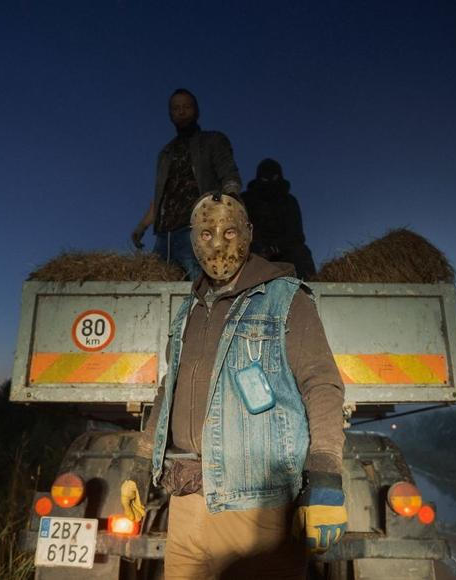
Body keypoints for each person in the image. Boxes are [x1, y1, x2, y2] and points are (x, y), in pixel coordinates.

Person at [121, 193, 347, 579]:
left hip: (256, 506)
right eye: (206, 234)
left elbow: (322, 384)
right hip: (187, 499)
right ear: (192, 239)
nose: (219, 243)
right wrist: (141, 463)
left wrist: (325, 474)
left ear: (249, 233)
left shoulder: (285, 298)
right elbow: (168, 388)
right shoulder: (188, 309)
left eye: (230, 231)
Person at [131, 89, 242, 280]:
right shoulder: (166, 153)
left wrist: (231, 200)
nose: (181, 111)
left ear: (196, 111)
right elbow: (161, 197)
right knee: (158, 289)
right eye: (176, 108)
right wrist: (141, 227)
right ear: (170, 115)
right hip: (164, 237)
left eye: (186, 107)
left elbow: (229, 174)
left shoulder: (212, 141)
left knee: (201, 285)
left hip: (196, 229)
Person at [241, 158, 316, 280]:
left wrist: (276, 248)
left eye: (274, 177)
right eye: (265, 178)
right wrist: (256, 247)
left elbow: (296, 234)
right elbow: (240, 229)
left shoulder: (289, 201)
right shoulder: (246, 200)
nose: (269, 182)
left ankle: (307, 290)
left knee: (302, 253)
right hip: (254, 249)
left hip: (284, 250)